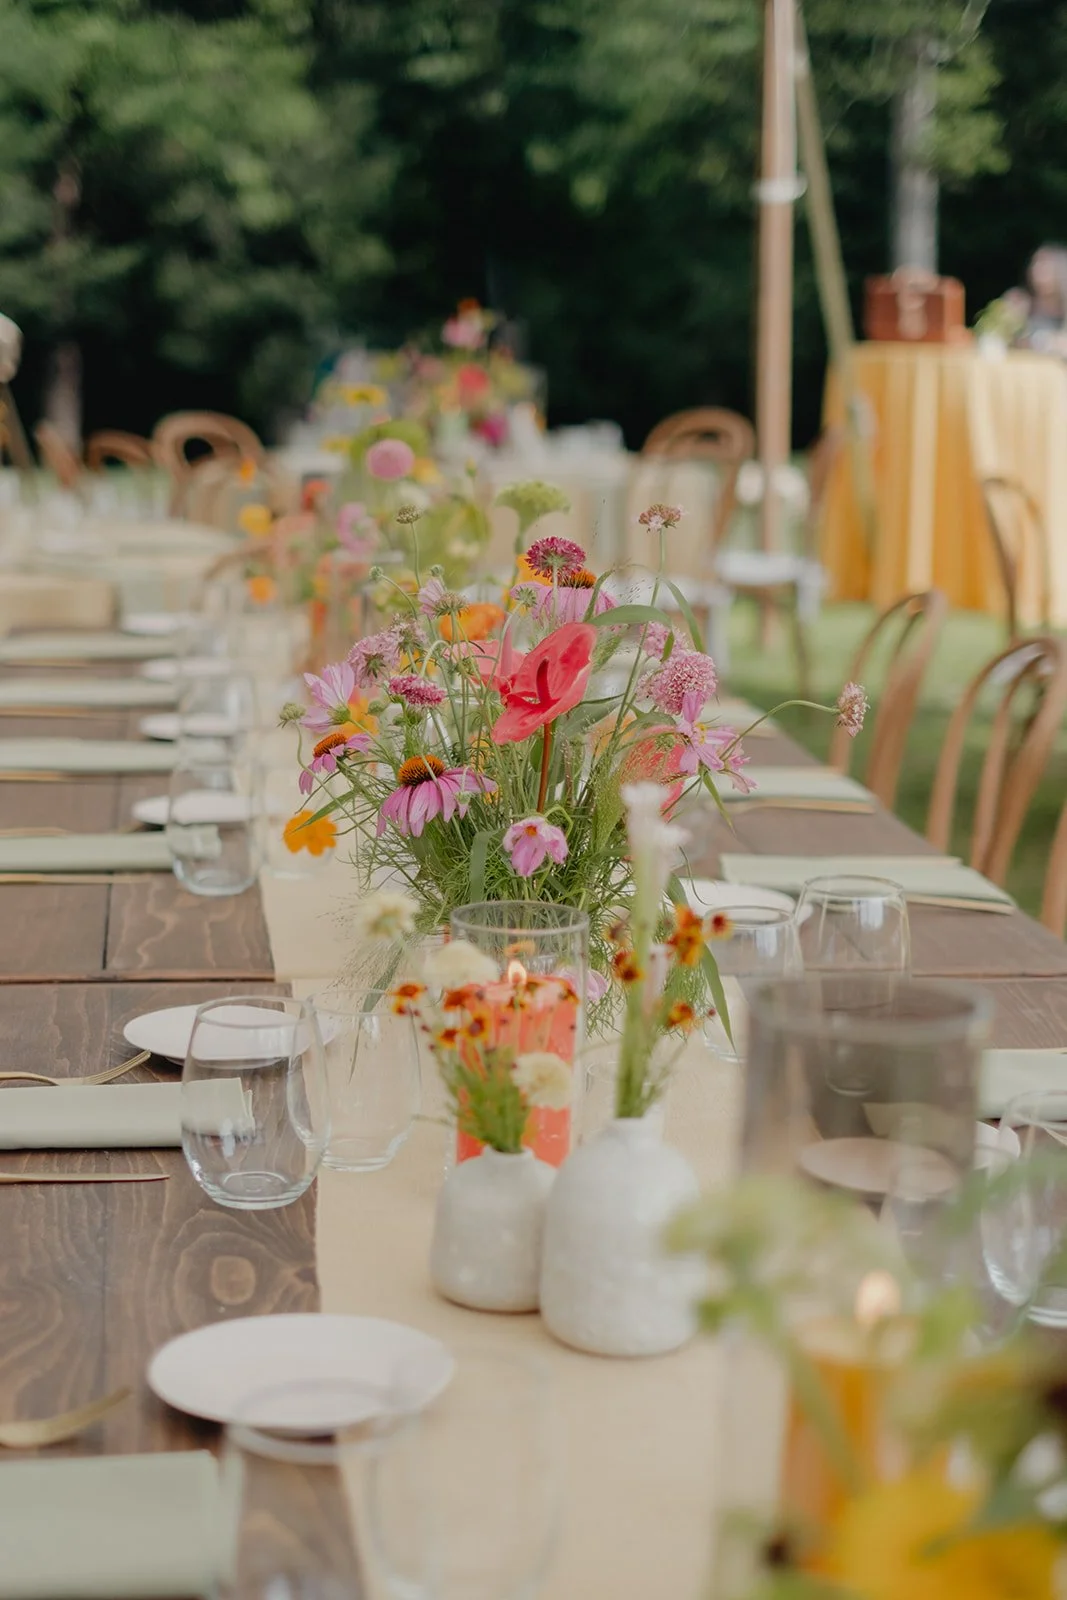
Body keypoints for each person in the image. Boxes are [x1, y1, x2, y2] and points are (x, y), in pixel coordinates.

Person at [1015, 245, 1067, 355]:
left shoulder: (1063, 306)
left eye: (1044, 267)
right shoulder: (1021, 303)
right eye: (1035, 265)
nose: (1037, 273)